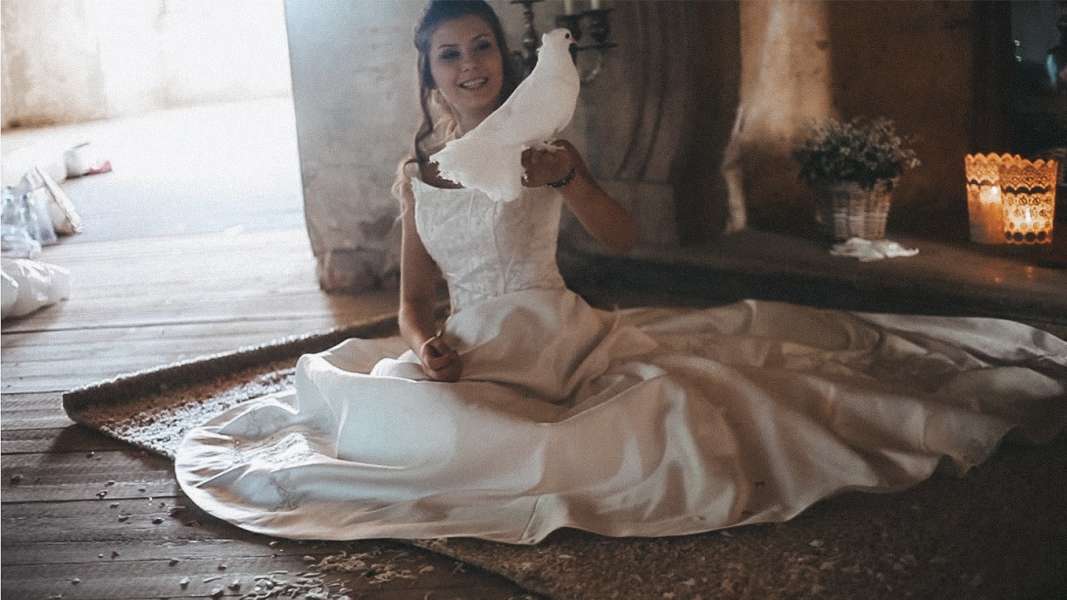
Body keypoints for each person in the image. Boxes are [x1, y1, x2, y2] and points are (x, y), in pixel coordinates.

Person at [174, 0, 1066, 545]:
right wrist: (426, 344)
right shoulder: (419, 177)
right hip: (469, 349)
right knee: (402, 423)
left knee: (654, 416)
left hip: (555, 336)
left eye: (481, 47)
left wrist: (575, 180)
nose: (470, 65)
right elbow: (412, 302)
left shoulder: (542, 147)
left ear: (503, 57)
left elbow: (625, 238)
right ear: (429, 75)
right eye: (450, 54)